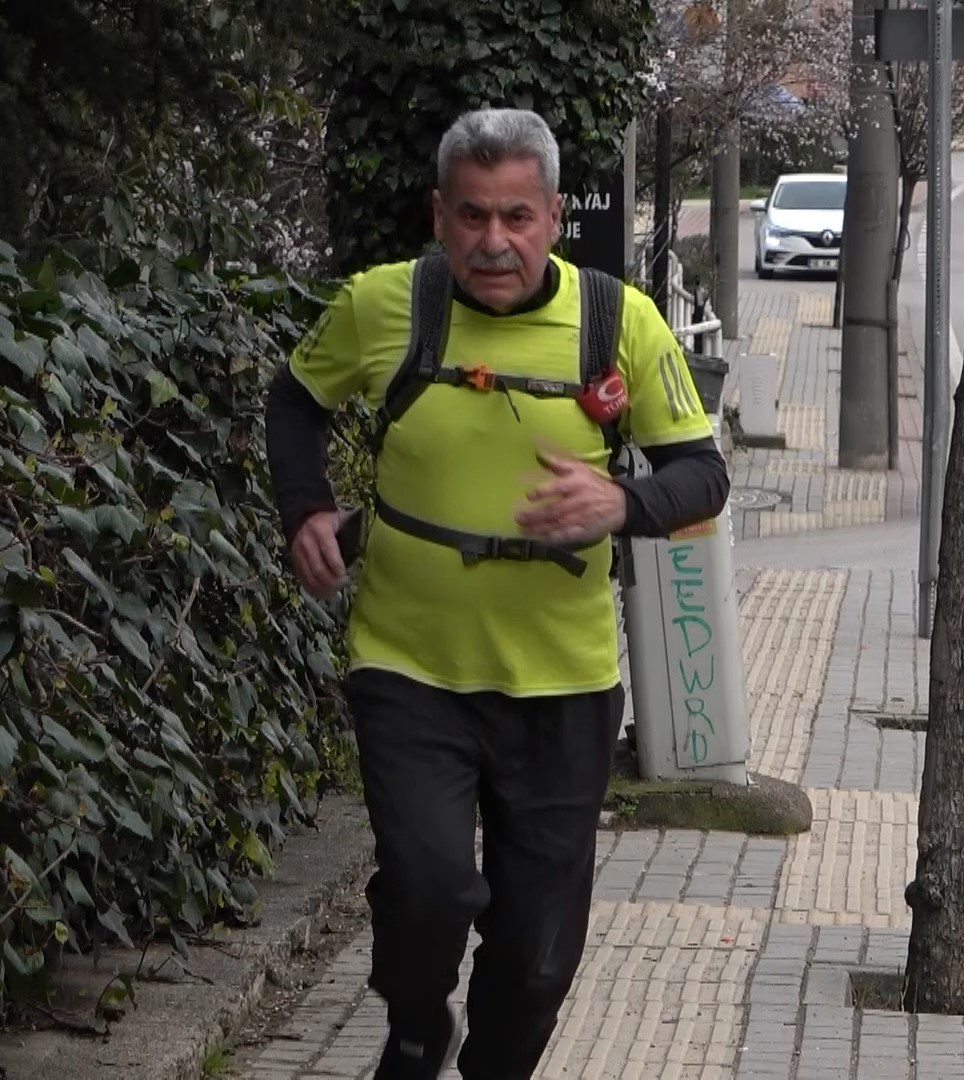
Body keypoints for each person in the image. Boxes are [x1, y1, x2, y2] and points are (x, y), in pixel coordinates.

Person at [263, 107, 730, 1079]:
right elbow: (295, 401)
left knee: (537, 953)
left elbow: (703, 477)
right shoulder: (384, 306)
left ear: (554, 216)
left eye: (516, 216)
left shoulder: (619, 321)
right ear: (439, 216)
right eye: (472, 217)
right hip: (409, 665)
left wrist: (623, 500)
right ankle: (416, 1027)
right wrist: (305, 507)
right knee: (430, 887)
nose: (493, 242)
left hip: (563, 686)